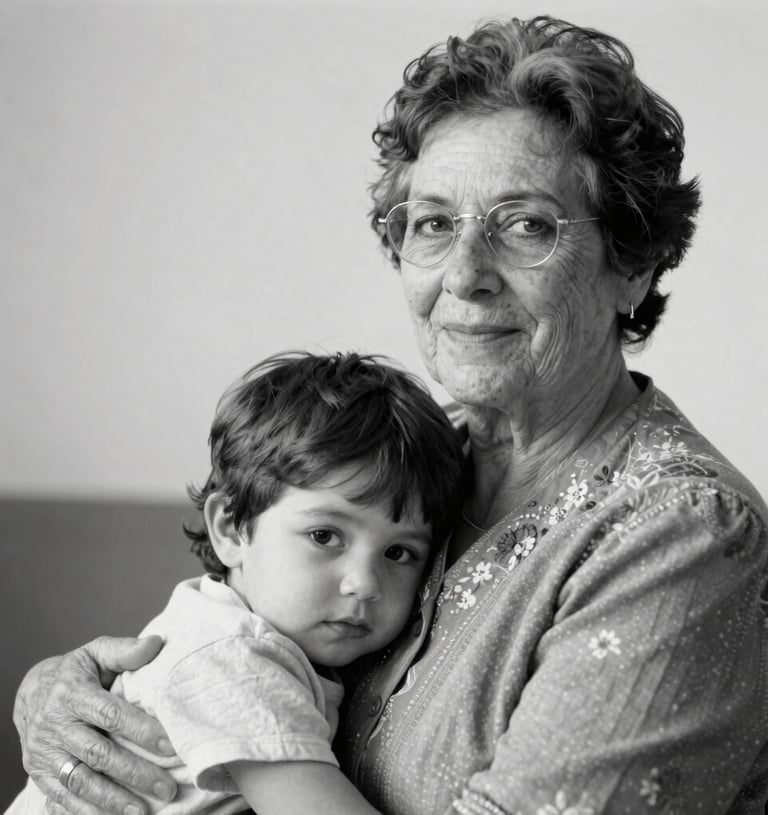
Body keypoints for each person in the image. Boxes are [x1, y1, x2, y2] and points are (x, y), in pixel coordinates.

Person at [13, 14, 768, 815]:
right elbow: (228, 633)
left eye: (526, 225)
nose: (466, 275)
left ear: (635, 268)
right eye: (434, 224)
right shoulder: (409, 461)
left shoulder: (683, 538)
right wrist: (74, 698)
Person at [7, 351, 464, 815]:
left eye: (398, 553)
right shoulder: (234, 659)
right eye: (324, 536)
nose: (365, 584)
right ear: (230, 529)